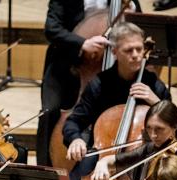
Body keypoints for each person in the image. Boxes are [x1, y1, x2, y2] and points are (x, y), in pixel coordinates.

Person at [60, 21, 172, 180]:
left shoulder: (153, 85)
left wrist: (156, 102)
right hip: (104, 151)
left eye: (139, 49)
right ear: (115, 52)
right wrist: (76, 138)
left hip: (141, 156)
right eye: (129, 50)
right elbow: (75, 120)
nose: (136, 55)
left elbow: (174, 124)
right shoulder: (100, 84)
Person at [35, 0, 141, 166]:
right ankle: (44, 168)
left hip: (109, 68)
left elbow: (139, 26)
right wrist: (82, 43)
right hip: (68, 63)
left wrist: (131, 8)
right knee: (50, 110)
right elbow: (52, 28)